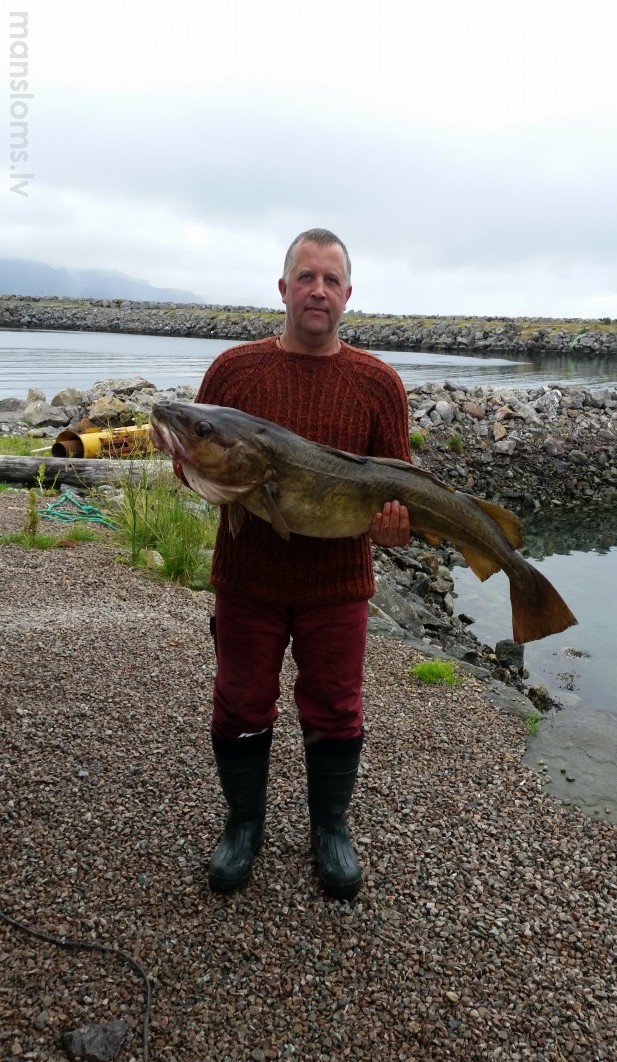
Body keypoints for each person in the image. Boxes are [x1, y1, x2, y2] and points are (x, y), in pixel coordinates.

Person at [189, 228, 411, 899]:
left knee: (337, 708)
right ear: (283, 288)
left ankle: (330, 829)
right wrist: (192, 467)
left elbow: (399, 493)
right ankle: (243, 825)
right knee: (239, 702)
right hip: (248, 579)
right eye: (306, 278)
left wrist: (395, 529)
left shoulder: (378, 384)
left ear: (348, 295)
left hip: (337, 586)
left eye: (331, 280)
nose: (318, 291)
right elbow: (199, 458)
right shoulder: (233, 373)